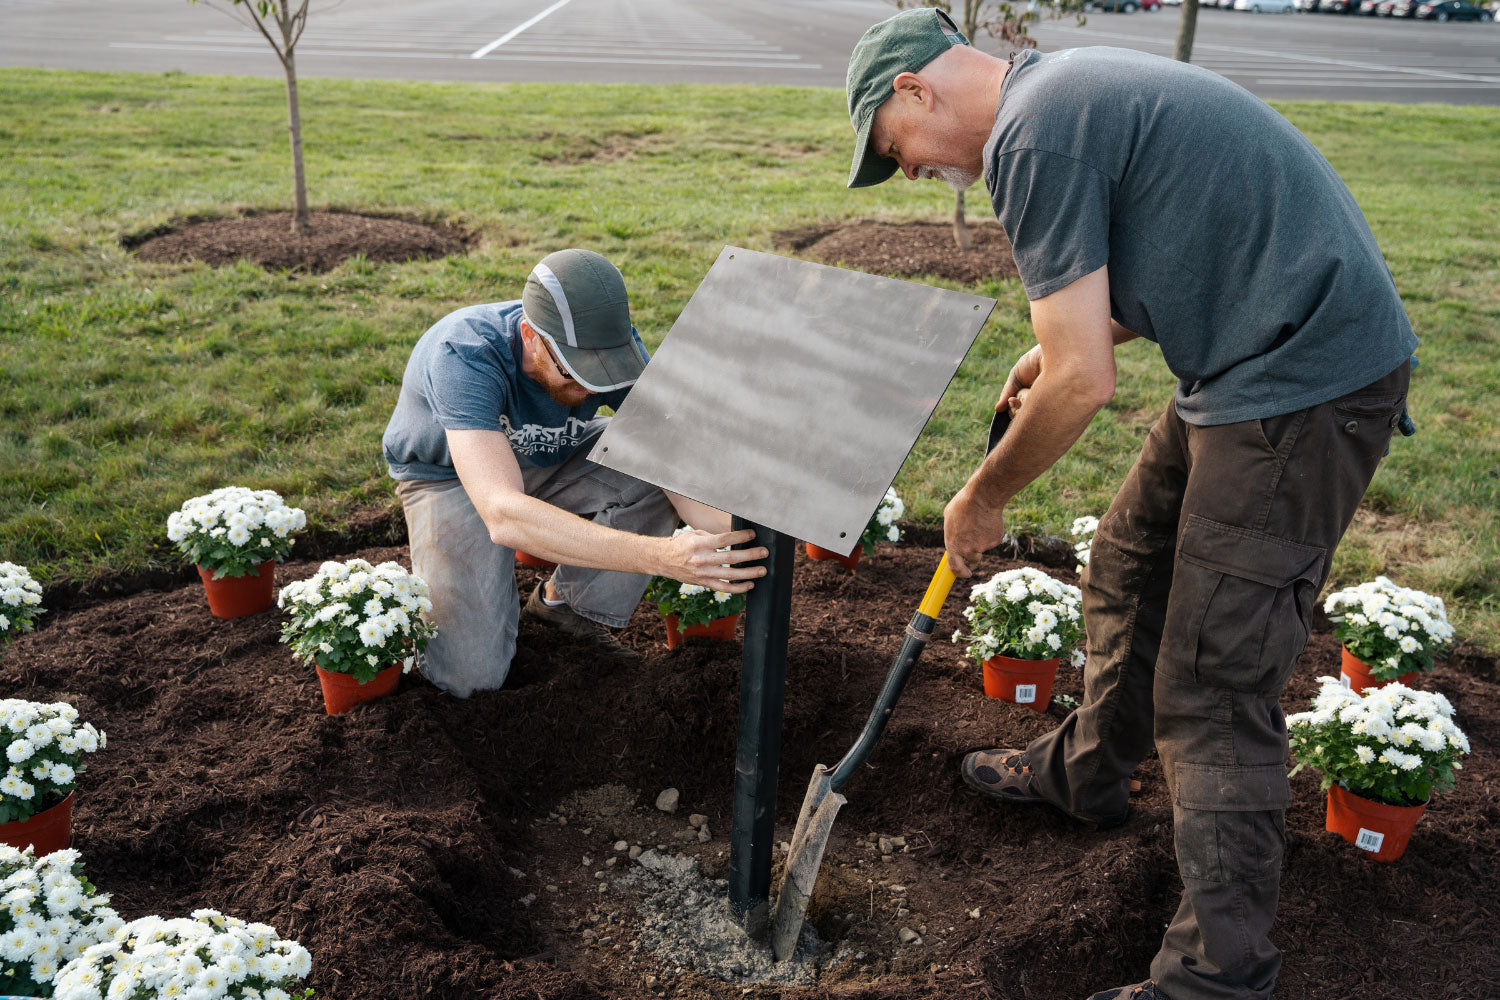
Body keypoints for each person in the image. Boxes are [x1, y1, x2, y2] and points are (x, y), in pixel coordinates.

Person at [843, 11, 1417, 1000]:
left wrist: (981, 497)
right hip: (1250, 360)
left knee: (1211, 684)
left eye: (895, 153)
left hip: (1301, 384)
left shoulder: (1031, 136)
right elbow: (1177, 237)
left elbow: (1081, 386)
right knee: (1125, 555)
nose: (910, 174)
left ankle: (1216, 975)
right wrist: (1077, 331)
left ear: (915, 91)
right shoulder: (1053, 95)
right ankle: (1090, 771)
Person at [381, 249, 765, 698]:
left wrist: (741, 535)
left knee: (649, 468)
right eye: (574, 374)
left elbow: (670, 464)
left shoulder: (616, 353)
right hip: (450, 475)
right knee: (471, 679)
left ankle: (565, 609)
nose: (588, 389)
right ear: (530, 336)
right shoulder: (463, 353)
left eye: (602, 378)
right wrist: (665, 557)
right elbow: (502, 512)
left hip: (555, 449)